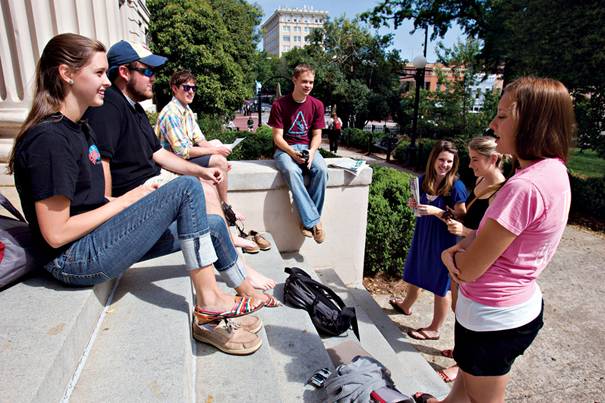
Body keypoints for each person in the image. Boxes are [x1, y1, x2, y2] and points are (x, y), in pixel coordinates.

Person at [8, 33, 265, 355]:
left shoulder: (79, 127)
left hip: (95, 238)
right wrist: (130, 200)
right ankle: (210, 303)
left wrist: (127, 204)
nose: (106, 81)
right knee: (184, 188)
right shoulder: (49, 139)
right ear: (67, 74)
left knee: (211, 222)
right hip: (73, 260)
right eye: (99, 73)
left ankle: (236, 290)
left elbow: (89, 201)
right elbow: (56, 234)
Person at [415, 77, 573, 403]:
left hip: (492, 318)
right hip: (514, 307)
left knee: (482, 397)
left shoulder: (523, 187)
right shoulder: (554, 171)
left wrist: (449, 256)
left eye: (502, 115)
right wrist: (468, 244)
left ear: (532, 120)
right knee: (465, 384)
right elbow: (501, 240)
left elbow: (469, 269)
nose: (492, 124)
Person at [83, 40, 276, 292]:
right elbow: (103, 162)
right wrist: (108, 207)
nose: (154, 78)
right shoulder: (109, 106)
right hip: (137, 193)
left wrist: (202, 170)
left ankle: (231, 252)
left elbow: (159, 153)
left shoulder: (135, 109)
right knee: (201, 191)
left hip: (153, 182)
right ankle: (238, 268)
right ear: (124, 72)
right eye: (148, 71)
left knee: (204, 184)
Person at [437, 136, 506, 384]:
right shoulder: (482, 181)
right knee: (458, 308)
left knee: (468, 313)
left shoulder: (500, 191)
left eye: (475, 159)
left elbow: (493, 237)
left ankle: (460, 364)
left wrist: (463, 232)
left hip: (474, 258)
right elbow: (468, 216)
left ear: (494, 159)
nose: (469, 164)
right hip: (461, 253)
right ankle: (460, 352)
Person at [389, 140, 467, 341]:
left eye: (450, 161)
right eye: (442, 159)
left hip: (444, 240)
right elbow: (419, 207)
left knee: (441, 284)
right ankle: (406, 305)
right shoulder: (424, 180)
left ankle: (434, 328)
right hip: (423, 234)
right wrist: (414, 204)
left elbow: (461, 218)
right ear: (433, 159)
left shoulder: (456, 187)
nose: (445, 165)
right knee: (417, 269)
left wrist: (436, 211)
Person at [268, 64, 327, 243]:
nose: (308, 85)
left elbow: (317, 135)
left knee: (322, 170)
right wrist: (292, 153)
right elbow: (277, 137)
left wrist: (311, 151)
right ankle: (314, 221)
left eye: (311, 82)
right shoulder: (280, 104)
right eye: (304, 82)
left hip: (308, 147)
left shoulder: (317, 105)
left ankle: (307, 221)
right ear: (294, 80)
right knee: (292, 171)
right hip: (285, 148)